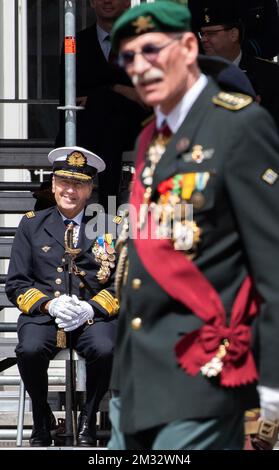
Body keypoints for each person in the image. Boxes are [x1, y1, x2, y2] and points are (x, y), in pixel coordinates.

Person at [107, 0, 279, 450]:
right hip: (136, 377)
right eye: (129, 57)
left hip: (203, 371)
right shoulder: (150, 137)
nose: (140, 66)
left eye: (152, 51)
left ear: (187, 47)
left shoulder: (240, 126)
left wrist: (274, 383)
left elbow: (272, 264)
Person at [5, 146, 120, 447]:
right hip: (44, 316)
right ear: (53, 184)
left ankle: (88, 421)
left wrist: (91, 308)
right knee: (28, 350)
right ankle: (43, 418)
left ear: (90, 189)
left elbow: (122, 283)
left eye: (79, 183)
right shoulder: (31, 225)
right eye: (65, 182)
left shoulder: (110, 226)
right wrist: (48, 303)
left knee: (105, 349)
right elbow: (16, 283)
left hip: (91, 318)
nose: (71, 190)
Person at [56, 0, 150, 212]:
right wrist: (121, 90)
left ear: (127, 2)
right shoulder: (76, 41)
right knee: (101, 112)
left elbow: (146, 95)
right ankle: (104, 203)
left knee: (110, 113)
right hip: (90, 129)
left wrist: (101, 94)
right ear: (91, 2)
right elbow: (71, 97)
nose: (107, 1)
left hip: (134, 128)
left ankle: (98, 202)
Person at [196, 3, 279, 129]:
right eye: (202, 34)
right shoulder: (197, 76)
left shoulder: (270, 75)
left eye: (211, 33)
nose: (203, 39)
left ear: (233, 35)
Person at [188, 0, 279, 59]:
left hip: (256, 66)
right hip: (212, 66)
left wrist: (238, 53)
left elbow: (274, 39)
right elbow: (193, 35)